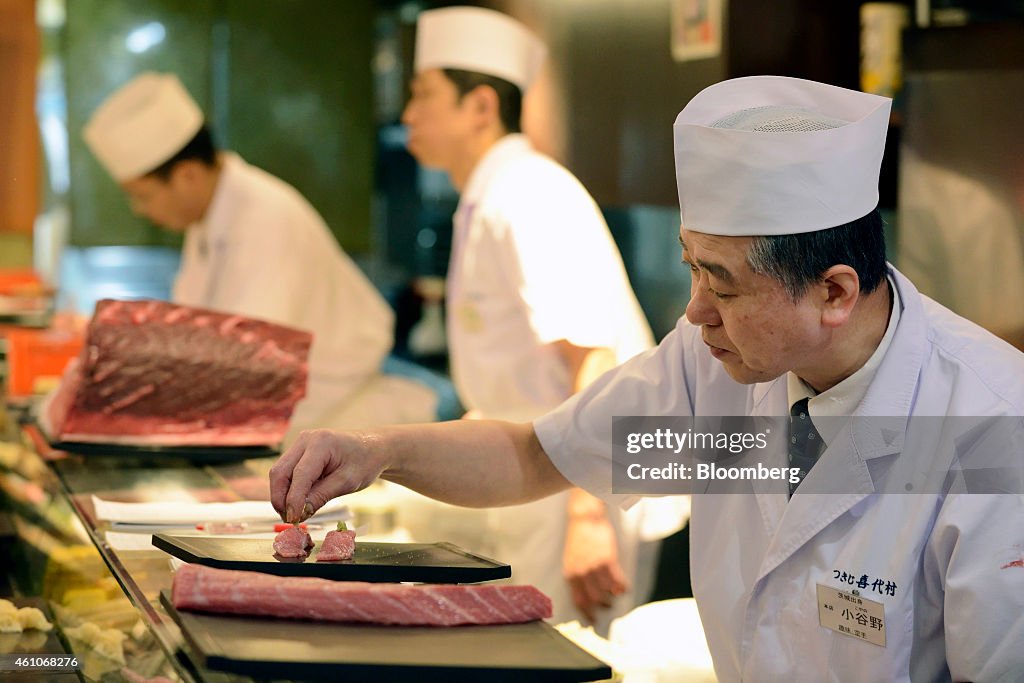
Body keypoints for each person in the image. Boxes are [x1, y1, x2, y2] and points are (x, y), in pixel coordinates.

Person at [270, 74, 1024, 681]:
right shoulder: (718, 373)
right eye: (693, 267)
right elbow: (538, 456)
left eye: (723, 284)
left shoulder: (991, 433)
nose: (695, 311)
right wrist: (379, 452)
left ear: (832, 292)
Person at [394, 6, 682, 630]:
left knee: (573, 662)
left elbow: (596, 363)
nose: (407, 115)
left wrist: (586, 519)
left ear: (480, 107)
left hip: (583, 489)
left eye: (422, 95)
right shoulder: (489, 196)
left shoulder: (528, 194)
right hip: (545, 478)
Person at [82, 73, 435, 436]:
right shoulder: (208, 220)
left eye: (142, 196)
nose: (139, 210)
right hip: (281, 420)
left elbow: (247, 364)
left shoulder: (264, 219)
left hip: (336, 423)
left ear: (187, 175)